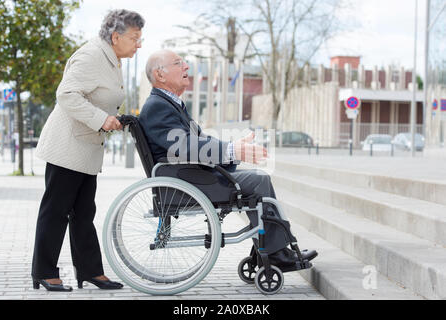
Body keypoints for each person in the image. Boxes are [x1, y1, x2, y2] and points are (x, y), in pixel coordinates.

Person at [138, 49, 317, 270]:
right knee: (258, 181)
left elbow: (199, 140)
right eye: (178, 63)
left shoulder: (170, 104)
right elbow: (185, 146)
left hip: (190, 176)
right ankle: (276, 253)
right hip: (186, 181)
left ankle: (272, 251)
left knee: (257, 180)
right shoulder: (158, 106)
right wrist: (232, 150)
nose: (186, 67)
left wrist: (233, 147)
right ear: (160, 75)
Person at [31, 9, 145, 292]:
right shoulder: (91, 55)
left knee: (83, 213)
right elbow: (66, 94)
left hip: (86, 148)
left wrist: (111, 119)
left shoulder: (112, 58)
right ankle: (44, 272)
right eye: (135, 37)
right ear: (116, 37)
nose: (139, 44)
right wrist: (101, 119)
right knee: (56, 211)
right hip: (68, 147)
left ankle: (91, 271)